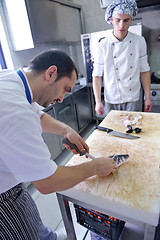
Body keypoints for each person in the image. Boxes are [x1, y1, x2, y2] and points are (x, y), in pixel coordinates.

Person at [0, 49, 116, 240]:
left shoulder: (11, 79)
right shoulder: (15, 110)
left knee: (37, 228)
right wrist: (95, 166)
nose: (62, 98)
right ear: (51, 73)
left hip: (13, 185)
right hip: (3, 199)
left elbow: (37, 114)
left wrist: (66, 130)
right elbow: (47, 182)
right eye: (66, 89)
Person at [92, 0, 152, 116]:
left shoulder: (139, 41)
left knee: (133, 129)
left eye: (126, 20)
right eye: (117, 20)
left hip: (133, 98)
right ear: (111, 20)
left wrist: (147, 97)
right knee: (113, 131)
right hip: (112, 98)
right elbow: (97, 76)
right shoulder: (103, 44)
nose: (121, 25)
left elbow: (144, 71)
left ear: (131, 20)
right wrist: (98, 101)